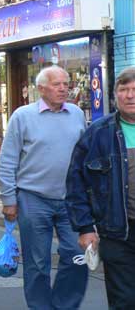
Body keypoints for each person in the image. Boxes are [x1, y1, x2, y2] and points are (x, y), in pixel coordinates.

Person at [0, 65, 88, 309]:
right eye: (57, 84)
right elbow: (7, 160)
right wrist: (8, 199)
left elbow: (86, 157)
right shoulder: (23, 116)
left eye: (66, 84)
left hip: (71, 199)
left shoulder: (77, 114)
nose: (63, 89)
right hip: (32, 198)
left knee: (78, 256)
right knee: (37, 262)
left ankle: (64, 305)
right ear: (41, 89)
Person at [66, 66, 135, 309]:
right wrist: (85, 228)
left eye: (134, 89)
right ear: (115, 95)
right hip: (117, 233)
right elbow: (76, 184)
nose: (129, 95)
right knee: (124, 301)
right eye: (123, 89)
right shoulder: (98, 134)